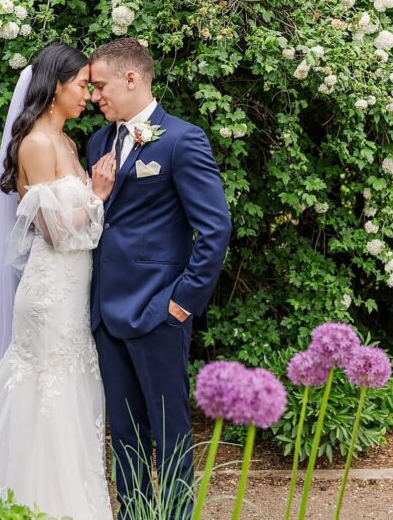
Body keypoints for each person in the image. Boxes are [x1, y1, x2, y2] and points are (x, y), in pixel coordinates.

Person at [0, 42, 117, 520]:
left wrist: (92, 200)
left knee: (70, 393)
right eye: (81, 84)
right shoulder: (37, 143)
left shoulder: (68, 143)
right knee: (46, 396)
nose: (88, 94)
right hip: (49, 293)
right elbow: (56, 231)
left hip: (73, 293)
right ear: (56, 86)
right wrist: (97, 196)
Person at [86, 37, 232, 520]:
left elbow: (214, 228)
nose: (95, 96)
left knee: (169, 431)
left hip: (158, 311)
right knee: (124, 434)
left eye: (101, 85)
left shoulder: (181, 139)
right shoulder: (97, 142)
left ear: (132, 78)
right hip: (107, 313)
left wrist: (182, 302)